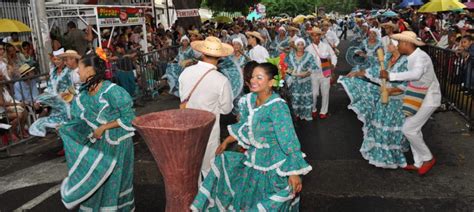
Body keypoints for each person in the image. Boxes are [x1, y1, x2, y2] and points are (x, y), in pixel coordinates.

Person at [191, 62, 312, 210]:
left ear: (271, 82)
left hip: (273, 169)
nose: (253, 80)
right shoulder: (253, 100)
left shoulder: (277, 106)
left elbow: (289, 139)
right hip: (254, 165)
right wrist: (227, 141)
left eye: (259, 77)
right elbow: (247, 126)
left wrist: (294, 172)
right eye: (253, 76)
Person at [59, 52, 136, 210]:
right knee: (99, 183)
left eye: (80, 68)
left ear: (89, 70)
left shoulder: (112, 91)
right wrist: (65, 128)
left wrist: (104, 127)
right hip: (100, 145)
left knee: (115, 183)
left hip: (118, 145)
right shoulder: (84, 94)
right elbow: (79, 119)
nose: (78, 72)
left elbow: (130, 118)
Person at [381, 31, 441, 176]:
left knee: (408, 129)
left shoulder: (420, 57)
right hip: (417, 97)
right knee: (414, 129)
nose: (398, 46)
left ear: (407, 43)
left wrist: (391, 76)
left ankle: (428, 158)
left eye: (399, 43)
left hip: (429, 99)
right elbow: (411, 80)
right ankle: (418, 162)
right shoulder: (411, 57)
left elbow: (415, 75)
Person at [345, 39, 410, 169]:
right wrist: (357, 72)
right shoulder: (387, 58)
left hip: (397, 101)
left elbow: (406, 83)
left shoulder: (406, 62)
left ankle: (392, 154)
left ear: (398, 46)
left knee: (391, 125)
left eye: (391, 44)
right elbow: (375, 71)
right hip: (384, 98)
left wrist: (391, 91)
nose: (388, 46)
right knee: (381, 124)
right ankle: (382, 154)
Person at [178, 36, 234, 179]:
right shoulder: (221, 80)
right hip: (208, 131)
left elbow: (182, 97)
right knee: (208, 169)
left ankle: (193, 198)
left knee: (191, 166)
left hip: (186, 125)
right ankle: (207, 199)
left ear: (202, 53)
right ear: (220, 57)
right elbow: (226, 109)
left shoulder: (186, 72)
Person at [29, 48, 74, 137]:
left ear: (64, 60)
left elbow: (71, 86)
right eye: (55, 59)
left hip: (66, 101)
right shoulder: (53, 72)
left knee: (66, 123)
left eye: (59, 59)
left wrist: (64, 94)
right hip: (55, 101)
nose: (56, 61)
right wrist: (44, 97)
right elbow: (50, 86)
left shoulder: (68, 71)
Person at [305, 27, 337, 119]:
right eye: (313, 36)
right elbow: (306, 61)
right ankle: (313, 109)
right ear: (311, 37)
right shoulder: (308, 48)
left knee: (325, 93)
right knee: (314, 93)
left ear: (320, 36)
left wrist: (333, 65)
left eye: (317, 35)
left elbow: (333, 55)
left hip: (326, 72)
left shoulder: (326, 46)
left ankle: (323, 111)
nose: (316, 38)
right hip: (313, 74)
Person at [286, 38, 318, 121]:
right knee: (295, 98)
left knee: (305, 98)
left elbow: (313, 67)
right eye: (298, 44)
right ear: (296, 45)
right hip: (294, 82)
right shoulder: (290, 55)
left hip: (305, 82)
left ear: (304, 45)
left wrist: (306, 73)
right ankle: (295, 114)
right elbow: (287, 67)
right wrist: (290, 72)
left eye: (302, 44)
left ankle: (305, 114)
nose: (300, 46)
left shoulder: (308, 55)